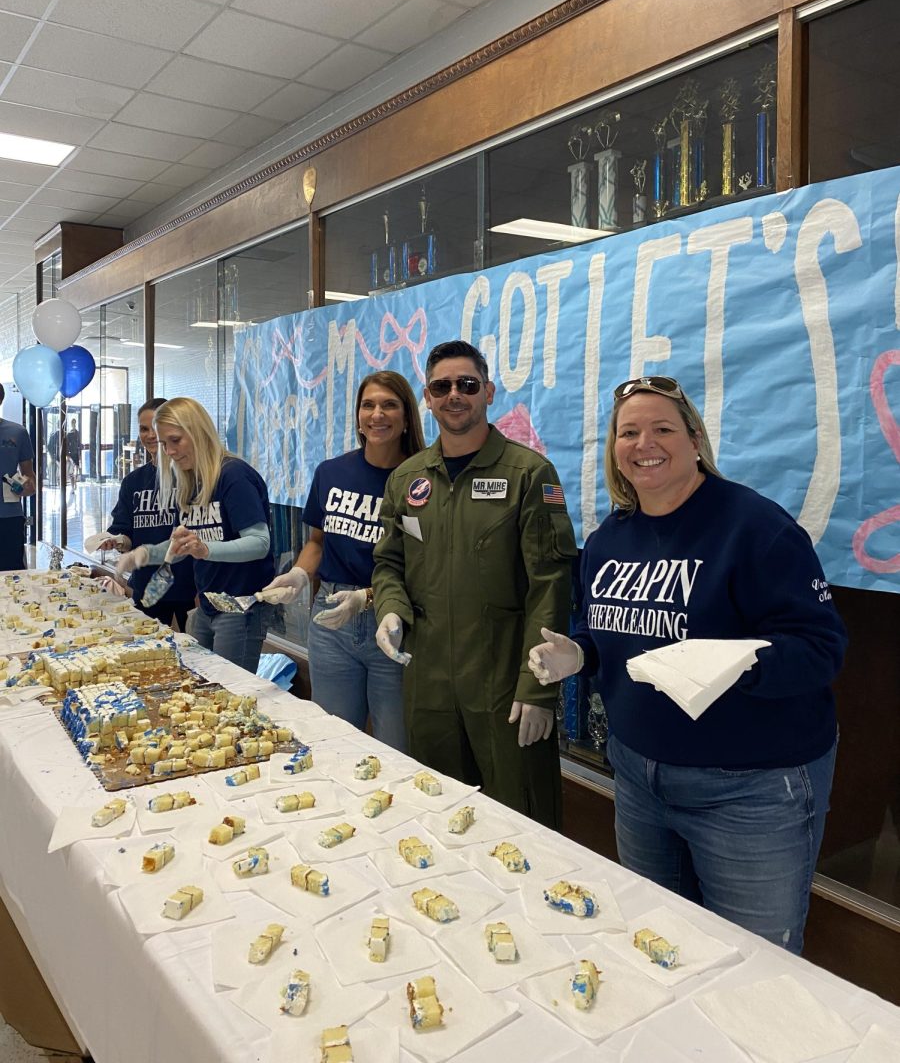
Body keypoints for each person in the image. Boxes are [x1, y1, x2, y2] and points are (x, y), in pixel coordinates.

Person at [528, 374, 847, 952]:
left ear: (695, 439)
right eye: (629, 432)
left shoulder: (755, 527)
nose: (644, 443)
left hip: (749, 791)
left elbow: (821, 647)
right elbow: (609, 635)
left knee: (755, 965)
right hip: (637, 777)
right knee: (658, 945)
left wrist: (737, 665)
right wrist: (579, 653)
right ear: (615, 450)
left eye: (662, 429)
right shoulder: (609, 540)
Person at [372, 341, 577, 827]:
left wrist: (539, 689)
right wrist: (390, 609)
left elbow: (549, 582)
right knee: (438, 813)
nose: (454, 395)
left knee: (522, 820)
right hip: (428, 685)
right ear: (427, 397)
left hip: (505, 683)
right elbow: (387, 563)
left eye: (466, 385)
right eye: (441, 386)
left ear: (488, 391)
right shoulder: (406, 479)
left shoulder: (528, 474)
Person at [259, 371, 426, 749]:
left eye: (389, 405)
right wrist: (300, 573)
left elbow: (425, 565)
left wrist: (367, 596)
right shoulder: (332, 472)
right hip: (330, 620)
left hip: (394, 621)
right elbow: (318, 540)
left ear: (406, 417)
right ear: (357, 415)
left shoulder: (420, 481)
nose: (377, 414)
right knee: (333, 739)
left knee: (396, 746)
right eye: (368, 405)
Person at [119, 397, 275, 671]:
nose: (169, 451)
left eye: (175, 440)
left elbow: (259, 543)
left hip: (239, 606)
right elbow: (185, 545)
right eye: (164, 444)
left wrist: (205, 549)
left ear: (198, 431)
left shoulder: (233, 476)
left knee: (228, 690)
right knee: (196, 679)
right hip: (207, 604)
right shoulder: (191, 479)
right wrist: (147, 554)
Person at [96, 398, 196, 630]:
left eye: (155, 427)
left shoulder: (192, 477)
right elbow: (125, 530)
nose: (150, 435)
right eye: (143, 428)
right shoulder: (133, 481)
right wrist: (116, 541)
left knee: (197, 656)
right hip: (146, 584)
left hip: (188, 585)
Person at [0, 382, 36, 571]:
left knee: (12, 576)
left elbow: (30, 477)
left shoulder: (18, 432)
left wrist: (26, 486)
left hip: (9, 517)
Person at [64, 418, 81, 491]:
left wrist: (67, 454)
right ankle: (74, 484)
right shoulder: (76, 433)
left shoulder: (70, 434)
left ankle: (73, 485)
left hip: (72, 454)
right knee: (75, 470)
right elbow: (79, 444)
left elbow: (67, 445)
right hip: (75, 454)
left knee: (72, 471)